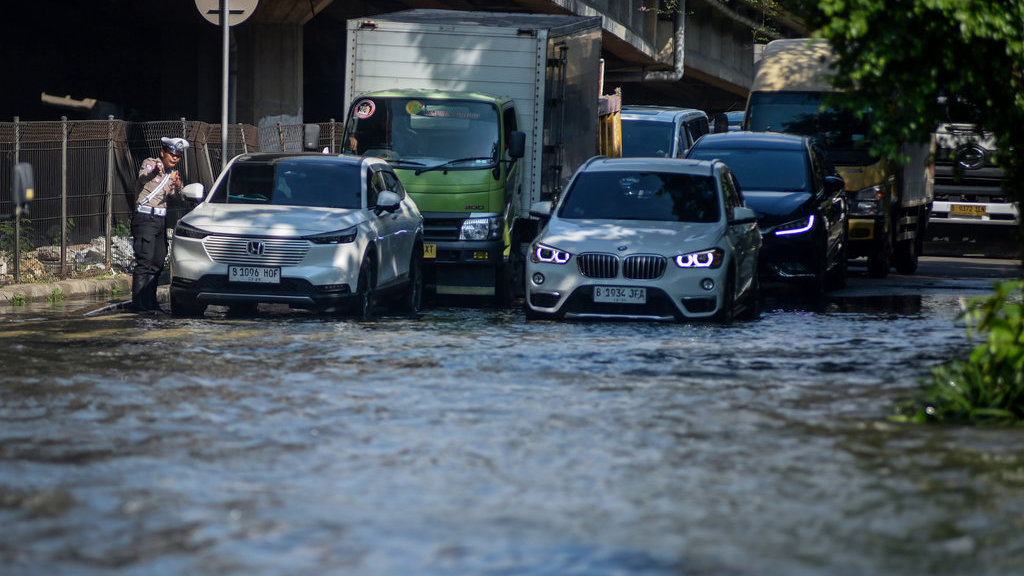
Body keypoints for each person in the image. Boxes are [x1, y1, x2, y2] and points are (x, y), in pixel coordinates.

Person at [130, 136, 189, 312]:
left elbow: (179, 198)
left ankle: (151, 302)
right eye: (172, 154)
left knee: (157, 261)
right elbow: (142, 178)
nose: (174, 158)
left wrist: (178, 186)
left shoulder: (173, 174)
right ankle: (139, 304)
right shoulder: (150, 163)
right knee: (145, 261)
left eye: (178, 156)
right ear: (163, 152)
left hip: (160, 221)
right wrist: (155, 172)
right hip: (145, 218)